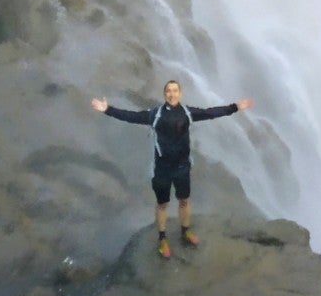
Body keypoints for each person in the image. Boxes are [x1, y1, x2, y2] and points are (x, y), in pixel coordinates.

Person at [91, 79, 255, 258]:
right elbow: (131, 117)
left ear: (180, 94)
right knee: (162, 204)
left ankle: (185, 231)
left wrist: (235, 107)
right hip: (162, 169)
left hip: (182, 167)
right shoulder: (156, 114)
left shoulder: (187, 112)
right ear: (164, 94)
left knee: (184, 200)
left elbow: (211, 113)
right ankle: (162, 238)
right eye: (168, 91)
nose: (172, 94)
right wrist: (107, 109)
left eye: (175, 91)